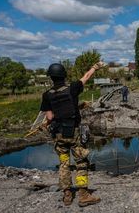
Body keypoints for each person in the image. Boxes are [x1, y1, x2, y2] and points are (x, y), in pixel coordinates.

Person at [40, 61, 104, 207]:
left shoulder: (46, 95)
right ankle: (83, 195)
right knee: (81, 162)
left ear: (51, 77)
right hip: (73, 134)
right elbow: (86, 77)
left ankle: (67, 195)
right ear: (64, 75)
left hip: (58, 135)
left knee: (64, 163)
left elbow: (49, 117)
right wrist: (95, 67)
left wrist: (50, 120)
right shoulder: (73, 88)